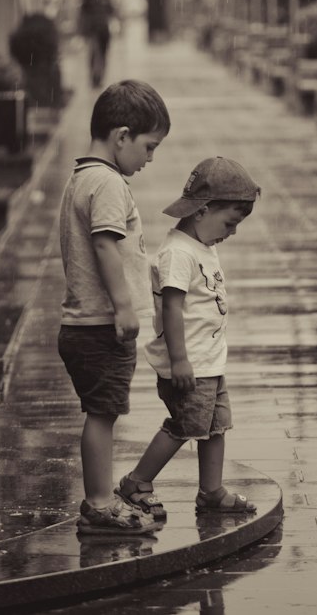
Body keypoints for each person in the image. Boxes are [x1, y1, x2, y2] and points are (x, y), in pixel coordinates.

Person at [117, 157, 261, 522]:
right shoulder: (178, 253)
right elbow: (172, 309)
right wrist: (179, 360)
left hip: (209, 363)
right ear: (203, 210)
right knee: (184, 427)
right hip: (189, 365)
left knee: (215, 426)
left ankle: (211, 491)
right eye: (229, 223)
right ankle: (136, 482)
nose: (232, 232)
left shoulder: (201, 245)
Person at [57, 79, 171, 535]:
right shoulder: (105, 182)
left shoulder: (85, 176)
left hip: (86, 324)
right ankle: (100, 504)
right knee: (102, 415)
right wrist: (124, 308)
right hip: (99, 325)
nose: (150, 158)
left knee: (102, 411)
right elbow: (106, 246)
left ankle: (101, 501)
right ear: (121, 136)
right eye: (149, 146)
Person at [78, 0, 118, 88]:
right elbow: (82, 15)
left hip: (103, 31)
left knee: (102, 55)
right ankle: (95, 77)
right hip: (94, 31)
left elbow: (112, 12)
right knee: (95, 54)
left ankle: (99, 77)